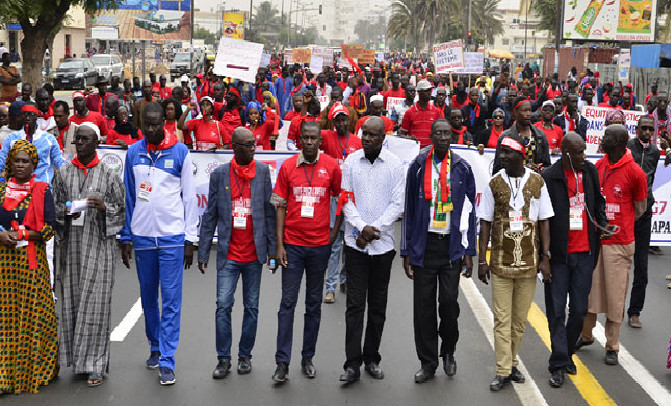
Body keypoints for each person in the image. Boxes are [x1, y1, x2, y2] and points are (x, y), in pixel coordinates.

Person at [120, 102, 198, 386]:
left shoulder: (180, 153)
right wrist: (126, 236)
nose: (151, 129)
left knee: (172, 301)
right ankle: (155, 344)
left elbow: (189, 199)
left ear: (164, 123)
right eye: (147, 125)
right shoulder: (133, 153)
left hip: (172, 238)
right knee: (148, 298)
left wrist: (190, 239)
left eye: (156, 124)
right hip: (142, 236)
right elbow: (130, 195)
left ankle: (167, 359)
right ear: (142, 123)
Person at [401, 118, 477, 384]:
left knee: (448, 304)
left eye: (447, 133)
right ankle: (428, 361)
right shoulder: (418, 166)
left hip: (451, 248)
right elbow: (409, 209)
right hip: (424, 246)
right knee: (423, 309)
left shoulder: (462, 168)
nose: (444, 137)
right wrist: (406, 251)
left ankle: (448, 350)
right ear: (431, 137)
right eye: (439, 133)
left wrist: (469, 250)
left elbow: (470, 211)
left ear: (451, 137)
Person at [477, 134, 554, 392]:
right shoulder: (494, 183)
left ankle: (511, 364)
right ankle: (503, 369)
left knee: (519, 321)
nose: (502, 157)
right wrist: (481, 260)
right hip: (500, 261)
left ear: (521, 156)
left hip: (529, 263)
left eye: (507, 153)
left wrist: (546, 257)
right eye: (500, 153)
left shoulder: (537, 182)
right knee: (502, 319)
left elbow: (544, 220)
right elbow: (485, 222)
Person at [199, 127, 276, 379]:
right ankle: (223, 359)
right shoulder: (220, 175)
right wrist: (202, 251)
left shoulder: (263, 172)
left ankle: (245, 356)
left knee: (251, 308)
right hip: (228, 255)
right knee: (223, 306)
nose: (254, 148)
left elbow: (269, 214)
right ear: (235, 147)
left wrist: (273, 252)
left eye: (254, 144)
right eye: (249, 145)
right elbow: (210, 214)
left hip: (254, 254)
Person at [53, 123, 125, 387]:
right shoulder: (63, 173)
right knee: (71, 302)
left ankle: (95, 365)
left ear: (96, 143)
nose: (80, 143)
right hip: (71, 249)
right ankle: (77, 361)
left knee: (96, 305)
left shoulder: (108, 174)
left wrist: (104, 207)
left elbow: (121, 208)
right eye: (77, 140)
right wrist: (66, 212)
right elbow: (55, 207)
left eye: (86, 139)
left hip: (99, 248)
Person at [270, 121, 341, 383]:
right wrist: (279, 245)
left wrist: (334, 232)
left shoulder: (331, 166)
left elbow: (340, 198)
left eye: (314, 138)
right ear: (299, 140)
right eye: (305, 138)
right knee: (287, 304)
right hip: (293, 247)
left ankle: (307, 357)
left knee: (313, 305)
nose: (309, 142)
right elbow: (278, 205)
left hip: (320, 247)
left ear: (320, 141)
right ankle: (282, 362)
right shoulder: (287, 166)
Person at [541, 132, 613, 388]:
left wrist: (602, 223)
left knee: (580, 311)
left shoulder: (590, 172)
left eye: (584, 151)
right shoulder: (550, 177)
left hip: (585, 255)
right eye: (578, 152)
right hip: (559, 258)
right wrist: (544, 257)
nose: (584, 156)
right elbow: (543, 220)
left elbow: (598, 204)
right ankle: (558, 362)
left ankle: (566, 351)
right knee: (556, 311)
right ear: (565, 153)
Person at [337, 116, 404, 383]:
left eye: (372, 135)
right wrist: (360, 227)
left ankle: (372, 358)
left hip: (382, 246)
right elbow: (345, 198)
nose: (366, 139)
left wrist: (373, 229)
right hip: (355, 245)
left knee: (377, 306)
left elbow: (397, 204)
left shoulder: (396, 165)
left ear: (383, 138)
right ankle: (351, 364)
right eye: (364, 134)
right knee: (354, 306)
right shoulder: (351, 162)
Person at [577, 124, 648, 366]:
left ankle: (612, 346)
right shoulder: (599, 166)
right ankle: (585, 336)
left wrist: (618, 224)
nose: (602, 139)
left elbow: (640, 208)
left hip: (620, 243)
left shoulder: (636, 173)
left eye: (607, 136)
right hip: (598, 241)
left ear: (618, 142)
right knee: (590, 292)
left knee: (615, 297)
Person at [0, 140, 57, 394]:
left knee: (36, 316)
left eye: (26, 161)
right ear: (10, 163)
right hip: (4, 267)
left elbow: (49, 228)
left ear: (34, 164)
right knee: (6, 320)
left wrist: (22, 234)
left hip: (31, 264)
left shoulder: (43, 190)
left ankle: (39, 370)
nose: (20, 164)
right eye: (17, 160)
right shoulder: (0, 191)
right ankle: (5, 374)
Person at [320, 103, 362, 303]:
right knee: (335, 243)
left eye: (344, 119)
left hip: (352, 199)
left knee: (350, 243)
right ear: (333, 122)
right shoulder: (327, 136)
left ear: (349, 120)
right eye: (338, 120)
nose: (342, 123)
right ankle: (330, 288)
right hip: (334, 198)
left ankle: (345, 280)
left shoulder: (357, 141)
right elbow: (309, 134)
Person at [626, 116, 659, 328]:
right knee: (617, 263)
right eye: (643, 128)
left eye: (650, 129)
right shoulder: (628, 147)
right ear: (637, 129)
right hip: (625, 212)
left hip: (645, 212)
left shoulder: (655, 152)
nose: (647, 132)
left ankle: (635, 311)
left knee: (642, 266)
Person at [492, 97, 551, 175]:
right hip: (512, 182)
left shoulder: (539, 135)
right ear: (515, 112)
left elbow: (547, 165)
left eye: (530, 110)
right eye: (524, 110)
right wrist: (521, 168)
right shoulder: (506, 137)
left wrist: (539, 169)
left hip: (534, 182)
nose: (528, 114)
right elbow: (497, 168)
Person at [400, 80, 444, 147]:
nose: (429, 93)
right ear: (419, 92)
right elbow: (402, 135)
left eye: (430, 90)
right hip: (415, 152)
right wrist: (409, 138)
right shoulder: (409, 112)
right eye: (426, 90)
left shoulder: (436, 112)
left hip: (430, 152)